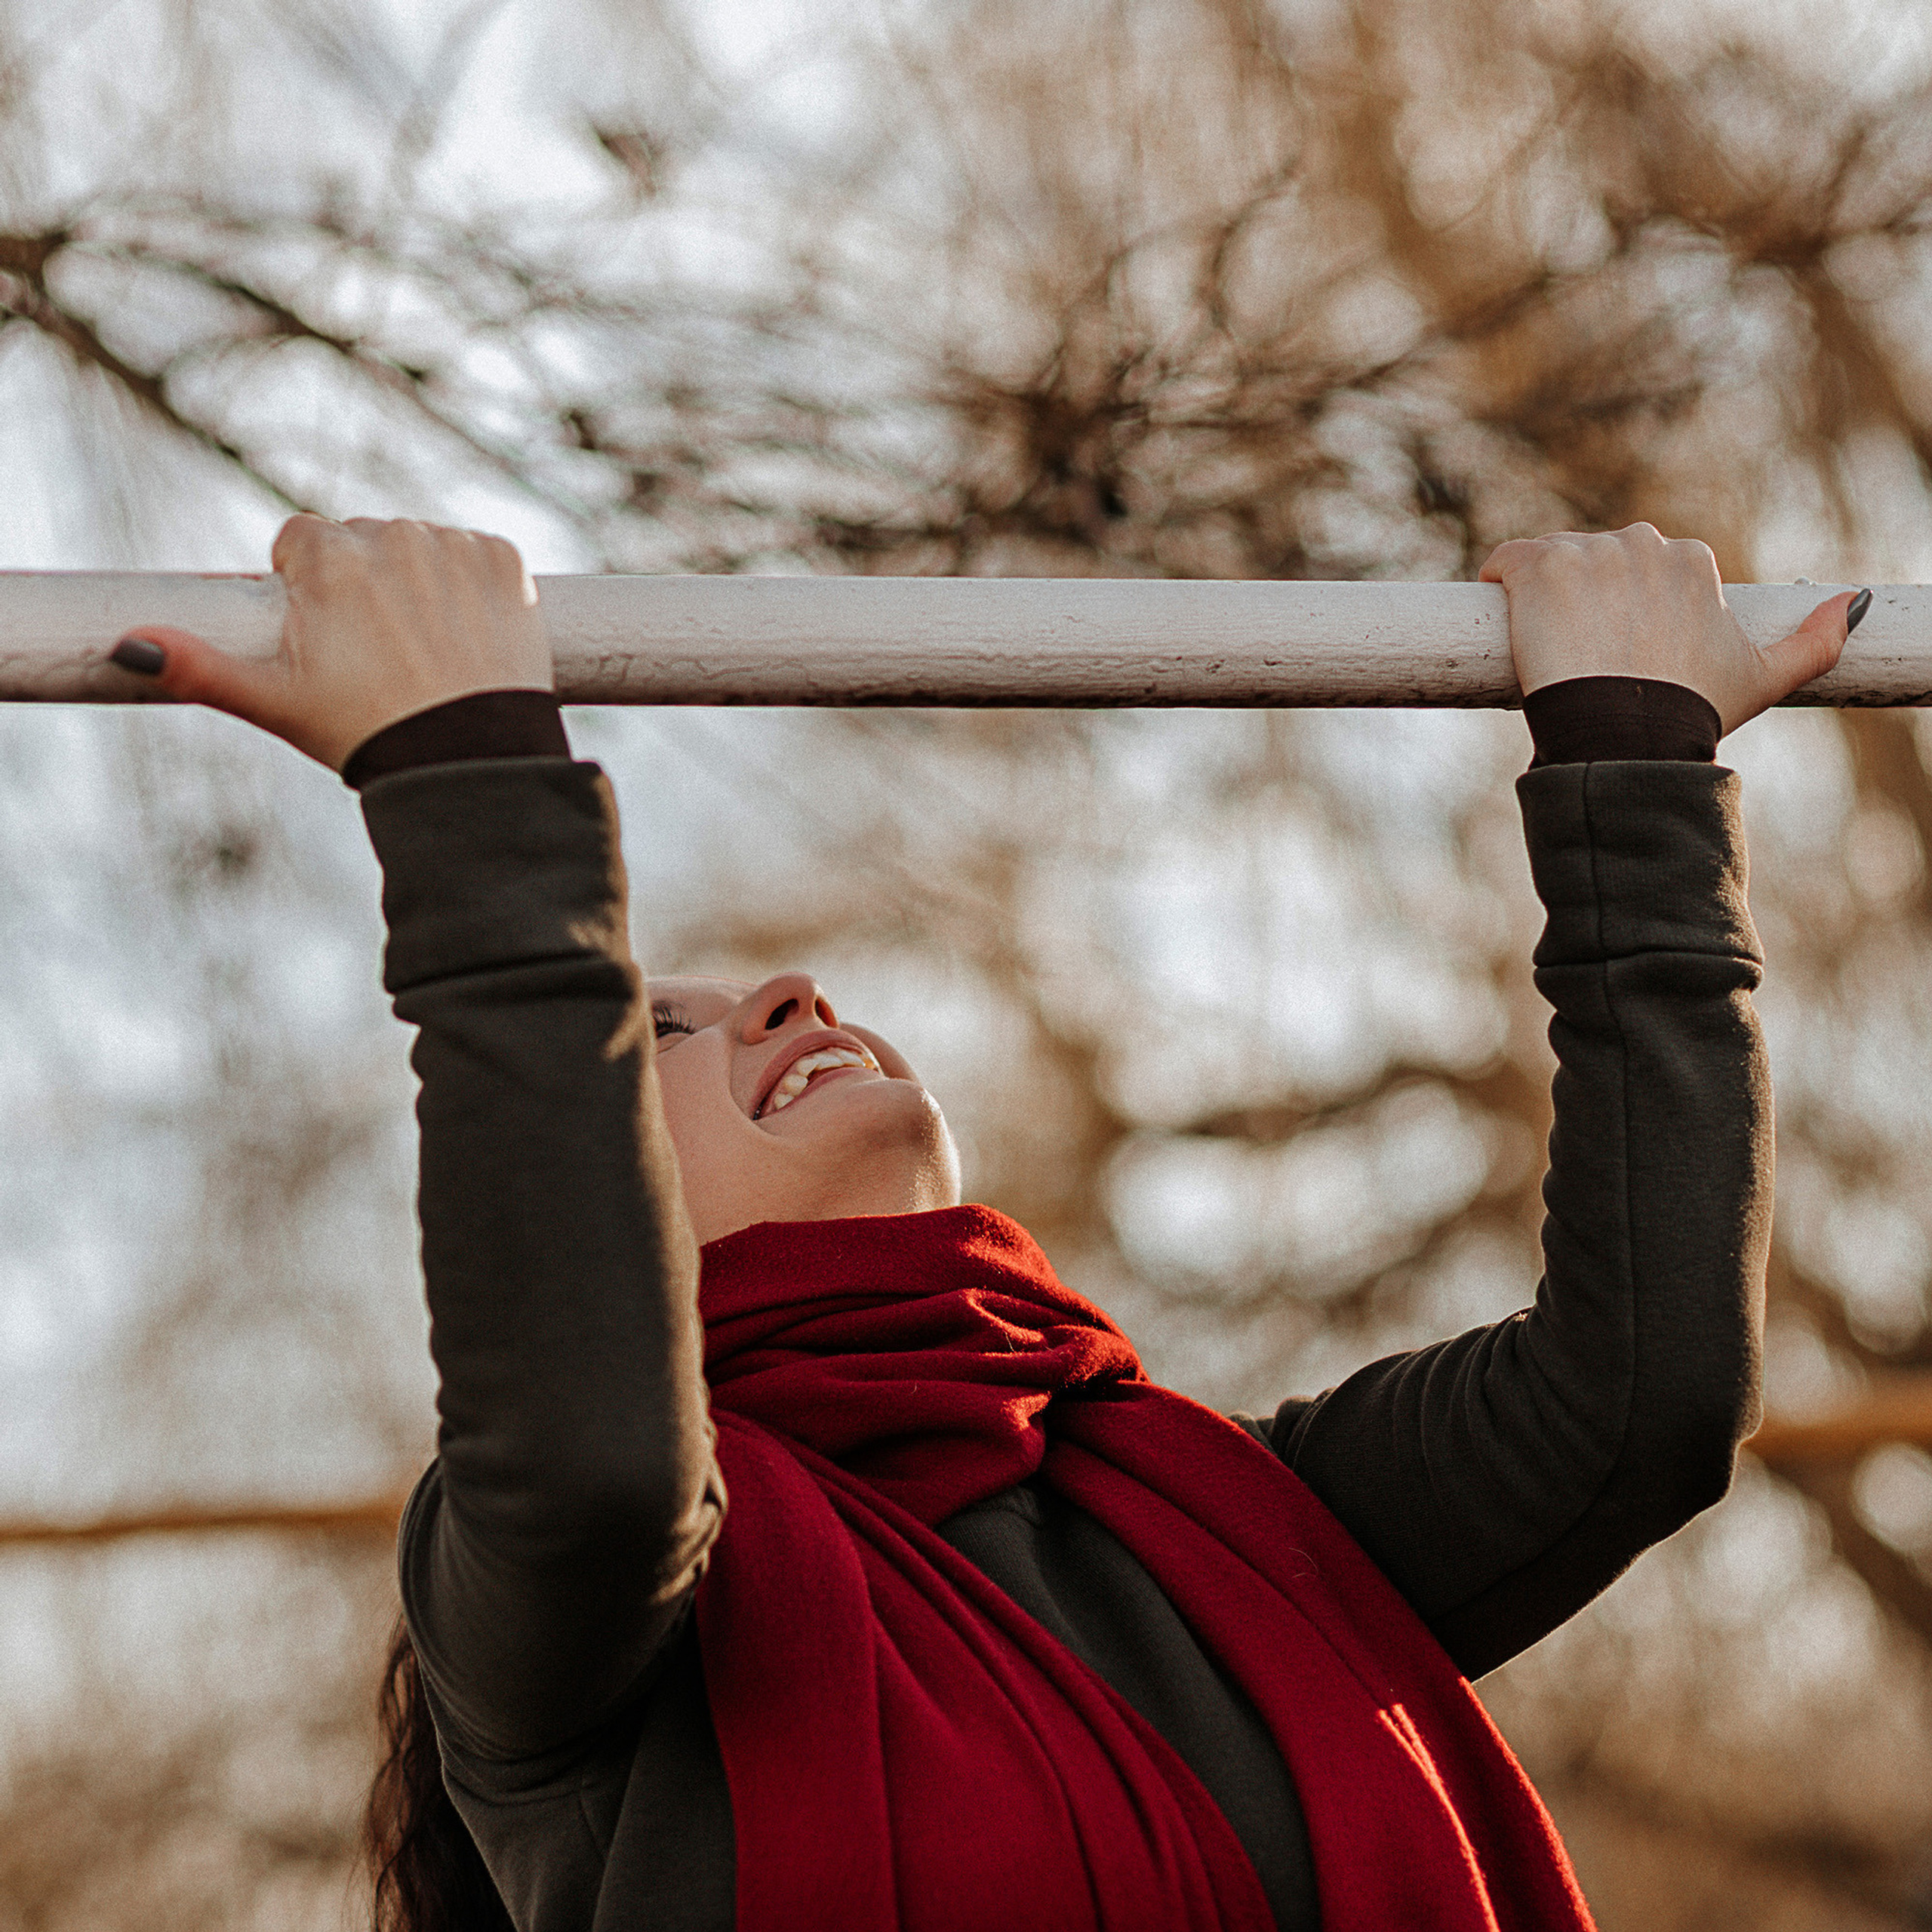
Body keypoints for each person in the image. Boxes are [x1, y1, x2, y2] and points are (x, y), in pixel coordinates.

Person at [115, 520, 1866, 1932]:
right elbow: (587, 1457)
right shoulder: (577, 1643)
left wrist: (1632, 770)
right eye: (651, 1024)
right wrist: (460, 780)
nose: (785, 992)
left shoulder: (1240, 1524)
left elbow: (1640, 1392)